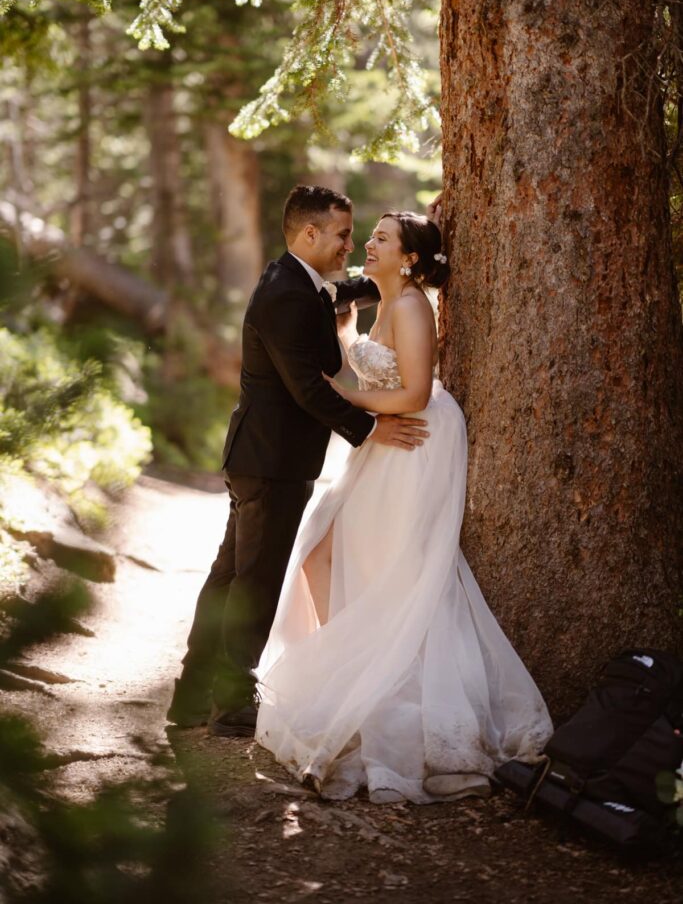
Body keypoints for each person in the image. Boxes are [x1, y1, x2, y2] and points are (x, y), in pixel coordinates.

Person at [254, 207, 553, 803]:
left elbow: (413, 393)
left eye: (382, 238)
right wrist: (344, 346)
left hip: (414, 439)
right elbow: (371, 364)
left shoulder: (414, 306)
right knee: (324, 553)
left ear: (409, 258)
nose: (368, 242)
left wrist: (340, 396)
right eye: (369, 235)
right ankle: (353, 677)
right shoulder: (387, 298)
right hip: (387, 433)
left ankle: (376, 692)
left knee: (391, 572)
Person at [166, 185, 429, 736]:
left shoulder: (298, 282)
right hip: (273, 460)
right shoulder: (286, 293)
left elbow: (350, 289)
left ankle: (192, 699)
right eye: (341, 235)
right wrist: (373, 428)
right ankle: (233, 700)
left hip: (262, 456)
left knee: (230, 576)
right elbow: (308, 388)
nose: (349, 246)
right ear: (309, 233)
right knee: (254, 580)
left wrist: (405, 268)